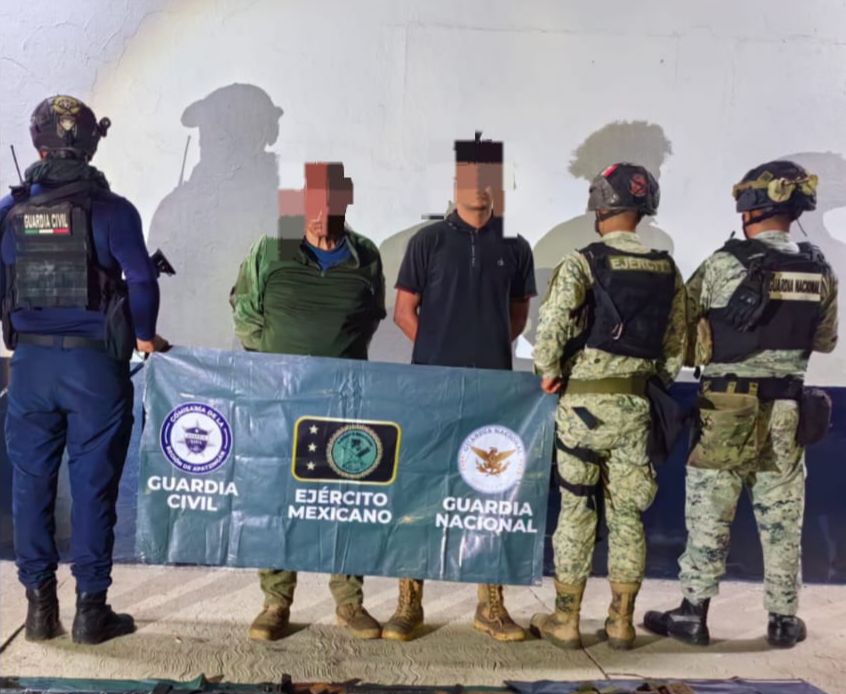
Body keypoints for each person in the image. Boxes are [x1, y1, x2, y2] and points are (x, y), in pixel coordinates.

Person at [644, 160, 839, 649]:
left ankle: (693, 614)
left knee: (710, 513)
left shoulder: (723, 264)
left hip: (726, 408)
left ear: (750, 206)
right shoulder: (820, 270)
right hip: (788, 411)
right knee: (782, 518)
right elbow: (825, 340)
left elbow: (678, 332)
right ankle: (784, 619)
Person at [0, 95, 167, 645]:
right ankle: (91, 613)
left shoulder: (9, 210)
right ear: (92, 144)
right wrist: (145, 336)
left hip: (29, 366)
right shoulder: (113, 210)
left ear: (38, 146)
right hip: (95, 367)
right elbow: (141, 280)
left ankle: (39, 610)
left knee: (30, 485)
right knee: (94, 489)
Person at [531, 163, 686, 651]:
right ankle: (621, 623)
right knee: (627, 516)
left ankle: (566, 621)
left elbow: (551, 330)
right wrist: (644, 384)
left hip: (582, 410)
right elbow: (675, 348)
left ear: (600, 207)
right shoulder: (667, 268)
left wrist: (548, 371)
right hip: (636, 409)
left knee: (576, 509)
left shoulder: (583, 262)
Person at [387, 133, 536, 643]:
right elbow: (404, 311)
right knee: (421, 491)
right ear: (455, 183)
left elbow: (518, 315)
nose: (481, 186)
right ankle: (409, 604)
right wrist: (441, 354)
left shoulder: (515, 246)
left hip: (494, 393)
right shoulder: (427, 242)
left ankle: (491, 607)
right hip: (431, 392)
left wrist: (485, 353)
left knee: (491, 495)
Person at [230, 162, 386, 641]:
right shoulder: (270, 249)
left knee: (346, 498)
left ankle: (349, 602)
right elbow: (245, 315)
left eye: (330, 203)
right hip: (279, 399)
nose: (320, 213)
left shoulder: (366, 255)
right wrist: (280, 366)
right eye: (312, 203)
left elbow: (369, 319)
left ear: (346, 202)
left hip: (344, 400)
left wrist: (336, 360)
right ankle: (276, 602)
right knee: (277, 498)